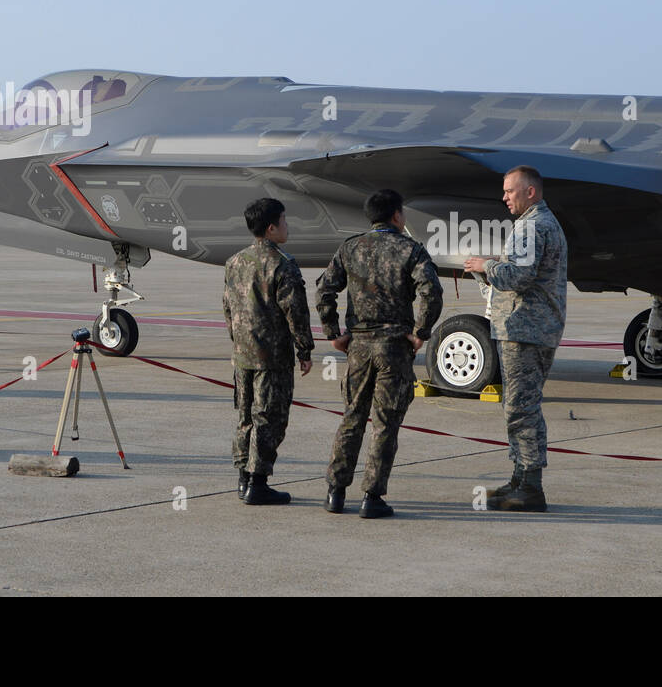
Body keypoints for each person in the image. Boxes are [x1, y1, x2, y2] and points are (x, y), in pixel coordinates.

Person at [317, 189, 443, 518]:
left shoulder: (350, 248)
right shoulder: (410, 250)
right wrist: (421, 333)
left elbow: (324, 289)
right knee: (385, 424)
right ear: (397, 216)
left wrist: (333, 334)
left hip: (358, 346)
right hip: (392, 347)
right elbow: (431, 290)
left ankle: (335, 491)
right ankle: (372, 497)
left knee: (352, 418)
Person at [464, 165, 567, 512]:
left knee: (521, 408)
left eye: (510, 190)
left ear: (530, 192)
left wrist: (485, 266)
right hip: (532, 327)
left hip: (525, 328)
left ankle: (531, 487)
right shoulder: (542, 223)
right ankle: (521, 478)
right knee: (520, 405)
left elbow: (519, 277)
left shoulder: (532, 226)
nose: (504, 197)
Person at [223, 197, 314, 505]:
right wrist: (304, 349)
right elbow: (296, 311)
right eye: (284, 222)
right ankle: (258, 483)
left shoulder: (234, 262)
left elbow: (228, 307)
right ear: (272, 227)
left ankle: (244, 478)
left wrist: (236, 340)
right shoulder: (282, 264)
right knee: (269, 417)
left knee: (245, 415)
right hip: (271, 358)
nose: (288, 227)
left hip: (242, 354)